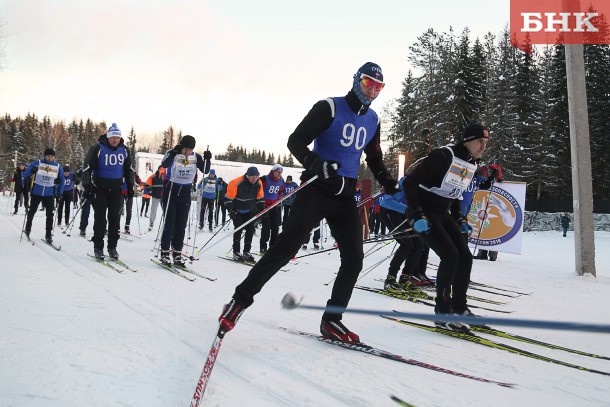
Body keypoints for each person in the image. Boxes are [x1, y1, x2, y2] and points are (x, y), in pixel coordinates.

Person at [219, 62, 398, 343]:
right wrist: (317, 163)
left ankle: (332, 320)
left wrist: (387, 180)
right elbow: (296, 141)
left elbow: (373, 157)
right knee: (285, 248)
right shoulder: (329, 107)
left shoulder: (373, 120)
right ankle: (239, 301)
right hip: (317, 189)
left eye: (378, 87)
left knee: (354, 258)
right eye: (367, 83)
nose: (371, 91)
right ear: (355, 81)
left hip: (344, 195)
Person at [404, 123, 489, 333]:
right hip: (424, 212)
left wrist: (459, 217)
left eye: (486, 143)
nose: (483, 147)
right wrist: (416, 213)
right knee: (450, 255)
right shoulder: (444, 155)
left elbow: (456, 192)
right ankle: (442, 313)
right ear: (468, 140)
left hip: (443, 213)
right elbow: (409, 183)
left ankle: (459, 308)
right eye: (480, 141)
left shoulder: (472, 163)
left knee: (465, 257)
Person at [81, 123, 134, 260]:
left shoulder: (124, 150)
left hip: (116, 190)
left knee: (115, 219)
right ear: (108, 137)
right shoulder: (98, 148)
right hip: (100, 189)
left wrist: (129, 187)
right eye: (112, 137)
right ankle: (98, 248)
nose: (115, 140)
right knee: (100, 219)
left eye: (117, 137)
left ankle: (112, 248)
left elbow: (129, 170)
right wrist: (87, 187)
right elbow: (87, 168)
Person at [159, 135, 211, 266]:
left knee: (181, 225)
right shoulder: (174, 153)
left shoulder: (196, 157)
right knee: (170, 224)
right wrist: (173, 152)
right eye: (185, 149)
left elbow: (205, 169)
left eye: (190, 149)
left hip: (186, 191)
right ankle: (165, 252)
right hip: (171, 189)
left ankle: (177, 253)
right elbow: (164, 164)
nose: (187, 152)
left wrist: (208, 159)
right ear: (181, 146)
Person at [379, 175, 425, 293]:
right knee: (407, 244)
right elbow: (388, 201)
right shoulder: (408, 181)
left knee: (419, 243)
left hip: (405, 213)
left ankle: (405, 278)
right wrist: (408, 210)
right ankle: (390, 278)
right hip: (390, 210)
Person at [23, 148, 65, 243]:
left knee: (50, 214)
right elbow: (25, 174)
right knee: (32, 211)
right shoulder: (38, 163)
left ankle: (48, 234)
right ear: (44, 156)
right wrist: (31, 171)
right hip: (37, 191)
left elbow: (62, 180)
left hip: (49, 193)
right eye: (48, 156)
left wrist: (60, 191)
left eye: (52, 156)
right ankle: (27, 229)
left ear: (54, 157)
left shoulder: (58, 167)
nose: (50, 158)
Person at [225, 167, 265, 262]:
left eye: (256, 177)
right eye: (252, 177)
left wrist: (262, 209)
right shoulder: (236, 182)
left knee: (250, 229)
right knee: (238, 228)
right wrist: (231, 210)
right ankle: (236, 252)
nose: (254, 179)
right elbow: (228, 199)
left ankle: (246, 252)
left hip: (249, 209)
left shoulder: (259, 183)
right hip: (237, 209)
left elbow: (260, 198)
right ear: (247, 175)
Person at [259, 164, 285, 253]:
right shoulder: (264, 179)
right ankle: (263, 247)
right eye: (278, 172)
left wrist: (277, 200)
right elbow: (257, 190)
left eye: (281, 172)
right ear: (273, 171)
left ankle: (272, 247)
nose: (279, 174)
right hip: (264, 205)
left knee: (275, 227)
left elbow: (280, 191)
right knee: (266, 226)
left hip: (274, 206)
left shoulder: (281, 180)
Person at [146, 167, 165, 231]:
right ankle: (151, 223)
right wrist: (149, 190)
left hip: (164, 196)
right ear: (158, 169)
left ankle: (166, 223)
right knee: (153, 210)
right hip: (155, 195)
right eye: (160, 169)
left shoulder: (165, 176)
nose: (161, 170)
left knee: (166, 210)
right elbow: (147, 184)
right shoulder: (153, 176)